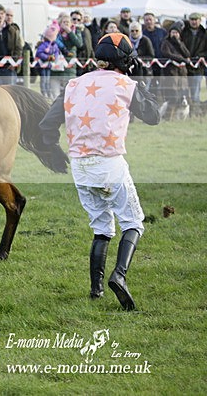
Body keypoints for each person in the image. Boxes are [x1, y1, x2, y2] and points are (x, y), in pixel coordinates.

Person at [39, 33, 160, 311]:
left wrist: (53, 148)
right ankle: (119, 275)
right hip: (110, 163)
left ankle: (96, 290)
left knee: (101, 227)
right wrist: (140, 85)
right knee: (133, 222)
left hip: (81, 167)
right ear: (125, 61)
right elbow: (153, 117)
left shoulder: (72, 84)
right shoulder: (126, 85)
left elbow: (47, 125)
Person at [0, 4, 23, 84]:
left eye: (2, 13)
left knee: (10, 92)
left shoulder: (12, 30)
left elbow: (18, 48)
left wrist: (14, 62)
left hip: (9, 67)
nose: (0, 16)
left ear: (4, 15)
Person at [160, 23, 191, 107]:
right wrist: (182, 59)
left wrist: (179, 44)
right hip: (171, 71)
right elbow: (167, 54)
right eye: (173, 32)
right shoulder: (166, 42)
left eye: (176, 33)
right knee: (172, 91)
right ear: (169, 33)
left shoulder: (181, 42)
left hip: (182, 72)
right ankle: (170, 111)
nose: (174, 34)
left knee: (183, 90)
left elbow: (187, 53)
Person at [180, 12, 206, 103]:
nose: (194, 22)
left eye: (196, 20)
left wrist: (201, 56)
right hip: (184, 66)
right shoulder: (183, 32)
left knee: (195, 92)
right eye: (192, 20)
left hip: (198, 67)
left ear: (200, 20)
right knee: (184, 92)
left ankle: (196, 111)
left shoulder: (204, 33)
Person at [35, 24, 62, 100]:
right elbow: (39, 53)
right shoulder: (43, 45)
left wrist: (54, 58)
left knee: (48, 80)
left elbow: (57, 52)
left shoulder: (54, 45)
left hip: (49, 66)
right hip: (42, 66)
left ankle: (47, 94)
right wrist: (47, 57)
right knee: (44, 80)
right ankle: (43, 94)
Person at [70, 10, 95, 76]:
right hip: (76, 63)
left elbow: (90, 47)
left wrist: (93, 60)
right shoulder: (69, 31)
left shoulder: (86, 30)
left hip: (87, 63)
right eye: (74, 19)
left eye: (79, 20)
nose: (76, 21)